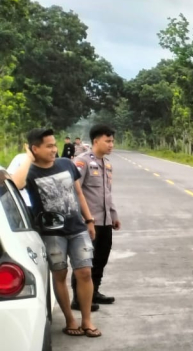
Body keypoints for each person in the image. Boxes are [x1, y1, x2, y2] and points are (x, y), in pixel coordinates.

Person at [11, 128, 100, 337]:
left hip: (77, 228)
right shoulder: (30, 171)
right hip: (51, 234)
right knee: (59, 275)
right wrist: (27, 158)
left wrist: (89, 220)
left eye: (54, 144)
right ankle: (70, 319)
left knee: (85, 272)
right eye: (49, 146)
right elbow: (17, 183)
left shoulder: (66, 164)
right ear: (35, 149)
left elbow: (78, 192)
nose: (54, 149)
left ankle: (87, 320)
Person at [70, 123, 121, 311]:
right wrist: (85, 219)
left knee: (101, 258)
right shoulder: (82, 162)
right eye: (107, 141)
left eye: (112, 141)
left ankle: (94, 292)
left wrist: (114, 215)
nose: (111, 145)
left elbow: (108, 192)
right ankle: (78, 298)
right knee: (84, 261)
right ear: (96, 141)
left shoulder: (107, 164)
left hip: (105, 221)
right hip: (88, 222)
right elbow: (75, 192)